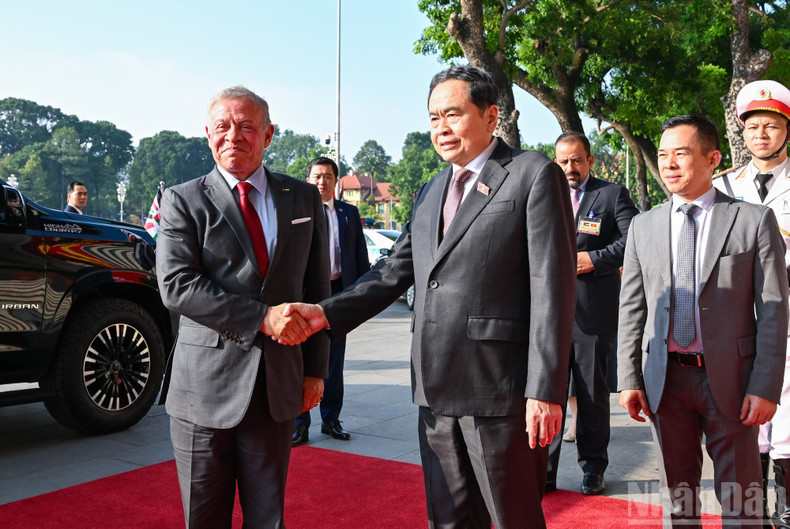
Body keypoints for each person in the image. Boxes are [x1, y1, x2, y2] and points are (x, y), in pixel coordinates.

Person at [285, 65, 577, 529]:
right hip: (435, 388)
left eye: (453, 114)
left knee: (510, 517)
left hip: (501, 392)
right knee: (448, 519)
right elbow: (393, 271)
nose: (442, 127)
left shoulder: (532, 175)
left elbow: (552, 288)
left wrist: (545, 391)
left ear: (491, 115)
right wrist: (323, 313)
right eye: (434, 117)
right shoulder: (432, 188)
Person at [156, 86, 330, 528]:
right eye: (222, 127)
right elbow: (177, 285)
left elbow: (317, 292)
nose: (234, 136)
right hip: (202, 391)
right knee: (204, 518)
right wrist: (262, 318)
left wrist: (315, 369)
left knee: (268, 517)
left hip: (275, 388)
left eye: (247, 126)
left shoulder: (304, 198)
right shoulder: (182, 200)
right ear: (207, 135)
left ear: (268, 135)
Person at [618, 114, 788, 528]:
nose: (669, 164)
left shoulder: (751, 220)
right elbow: (632, 308)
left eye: (681, 153)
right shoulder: (644, 226)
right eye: (662, 155)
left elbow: (773, 309)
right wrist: (629, 378)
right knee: (678, 498)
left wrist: (765, 387)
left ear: (713, 158)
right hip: (666, 381)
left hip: (730, 380)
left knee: (742, 500)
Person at [713, 79, 790, 527]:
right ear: (741, 133)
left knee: (789, 422)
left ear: (786, 130)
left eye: (772, 125)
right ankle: (751, 515)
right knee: (745, 419)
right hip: (738, 320)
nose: (761, 134)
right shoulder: (724, 186)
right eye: (753, 126)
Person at [545, 131, 638, 495]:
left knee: (592, 395)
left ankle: (594, 467)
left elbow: (634, 238)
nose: (570, 167)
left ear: (590, 161)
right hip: (547, 313)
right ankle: (545, 470)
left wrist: (594, 260)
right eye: (563, 161)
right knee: (546, 391)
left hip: (592, 313)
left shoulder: (612, 195)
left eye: (576, 160)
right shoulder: (543, 195)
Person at [292, 156, 369, 445]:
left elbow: (359, 257)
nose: (322, 182)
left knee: (334, 362)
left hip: (338, 293)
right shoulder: (298, 212)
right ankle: (300, 424)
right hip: (306, 293)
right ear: (308, 180)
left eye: (327, 176)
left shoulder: (348, 213)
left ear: (335, 181)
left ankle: (331, 419)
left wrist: (360, 295)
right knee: (301, 360)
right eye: (316, 177)